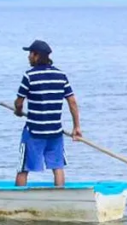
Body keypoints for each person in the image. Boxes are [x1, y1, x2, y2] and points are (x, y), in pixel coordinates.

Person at [14, 39, 81, 188]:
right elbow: (72, 103)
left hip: (34, 131)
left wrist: (18, 111)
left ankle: (18, 200)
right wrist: (77, 127)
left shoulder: (29, 76)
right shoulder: (61, 76)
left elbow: (19, 102)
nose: (28, 57)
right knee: (57, 167)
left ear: (36, 55)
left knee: (23, 168)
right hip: (55, 131)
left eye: (30, 54)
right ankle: (60, 196)